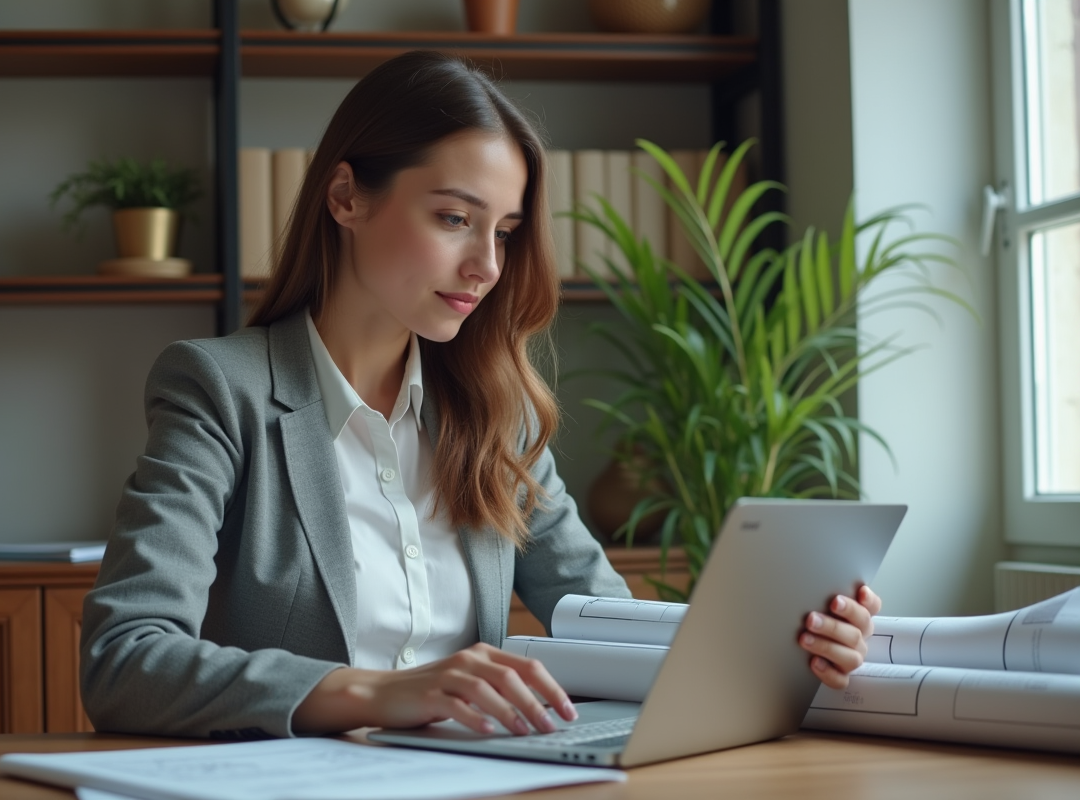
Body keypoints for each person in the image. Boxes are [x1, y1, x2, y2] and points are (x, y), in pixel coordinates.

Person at [79, 50, 882, 742]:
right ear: (346, 198)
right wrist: (376, 693)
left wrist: (782, 643)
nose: (487, 266)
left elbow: (604, 624)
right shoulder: (222, 390)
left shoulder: (500, 415)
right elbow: (124, 659)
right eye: (455, 218)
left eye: (502, 231)